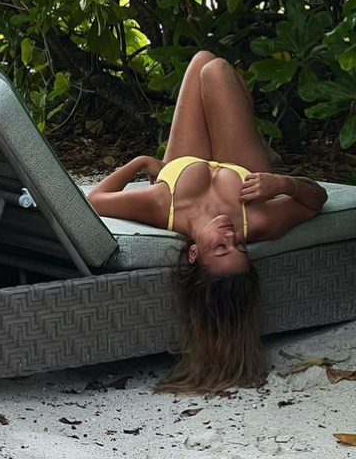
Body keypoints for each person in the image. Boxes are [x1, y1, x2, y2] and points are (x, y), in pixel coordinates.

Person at [88, 51, 327, 394]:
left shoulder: (165, 207)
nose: (231, 235)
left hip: (182, 167)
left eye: (221, 247)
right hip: (242, 165)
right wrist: (284, 184)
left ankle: (256, 142)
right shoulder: (256, 220)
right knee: (215, 69)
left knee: (203, 61)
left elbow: (96, 200)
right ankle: (261, 150)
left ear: (194, 253)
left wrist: (140, 162)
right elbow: (316, 200)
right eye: (240, 246)